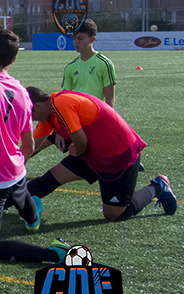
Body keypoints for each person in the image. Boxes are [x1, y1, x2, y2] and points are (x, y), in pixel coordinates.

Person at [0, 30, 72, 264]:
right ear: (13, 59)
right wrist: (15, 166)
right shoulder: (22, 91)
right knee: (24, 202)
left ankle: (55, 254)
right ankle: (32, 216)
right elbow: (28, 145)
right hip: (17, 171)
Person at [25, 87, 175, 222]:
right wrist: (13, 169)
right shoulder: (49, 114)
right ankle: (10, 200)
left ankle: (158, 187)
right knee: (49, 180)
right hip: (93, 153)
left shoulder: (60, 104)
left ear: (37, 106)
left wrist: (75, 153)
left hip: (118, 155)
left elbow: (81, 143)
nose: (30, 120)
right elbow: (31, 147)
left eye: (29, 115)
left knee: (114, 214)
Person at [62, 19, 116, 107]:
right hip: (76, 113)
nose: (76, 42)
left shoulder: (105, 64)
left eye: (80, 38)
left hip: (97, 113)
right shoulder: (70, 67)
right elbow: (65, 97)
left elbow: (110, 100)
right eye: (74, 38)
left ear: (92, 39)